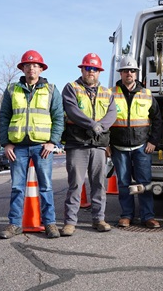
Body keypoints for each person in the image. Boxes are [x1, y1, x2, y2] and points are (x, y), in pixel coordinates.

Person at [0, 50, 64, 239]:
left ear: (41, 69)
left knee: (46, 187)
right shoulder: (12, 89)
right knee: (17, 187)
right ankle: (14, 224)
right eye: (27, 65)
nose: (31, 69)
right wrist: (6, 143)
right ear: (23, 68)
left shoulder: (51, 89)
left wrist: (52, 142)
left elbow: (58, 117)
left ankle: (50, 223)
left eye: (35, 65)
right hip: (17, 147)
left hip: (42, 146)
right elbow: (4, 117)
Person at [60, 53, 117, 235]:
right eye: (87, 68)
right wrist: (93, 125)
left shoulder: (107, 93)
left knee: (99, 184)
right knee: (75, 184)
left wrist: (101, 127)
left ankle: (99, 219)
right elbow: (72, 110)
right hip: (77, 143)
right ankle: (70, 222)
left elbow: (112, 113)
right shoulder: (71, 88)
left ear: (99, 72)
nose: (90, 71)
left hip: (98, 144)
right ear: (82, 69)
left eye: (94, 69)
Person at [109, 55, 162, 229]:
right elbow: (104, 120)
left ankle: (148, 216)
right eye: (125, 71)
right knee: (124, 183)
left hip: (142, 147)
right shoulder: (110, 94)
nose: (128, 73)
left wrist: (153, 140)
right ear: (121, 73)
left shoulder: (146, 94)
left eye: (132, 70)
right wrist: (106, 144)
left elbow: (157, 119)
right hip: (118, 147)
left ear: (136, 73)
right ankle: (126, 215)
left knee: (144, 182)